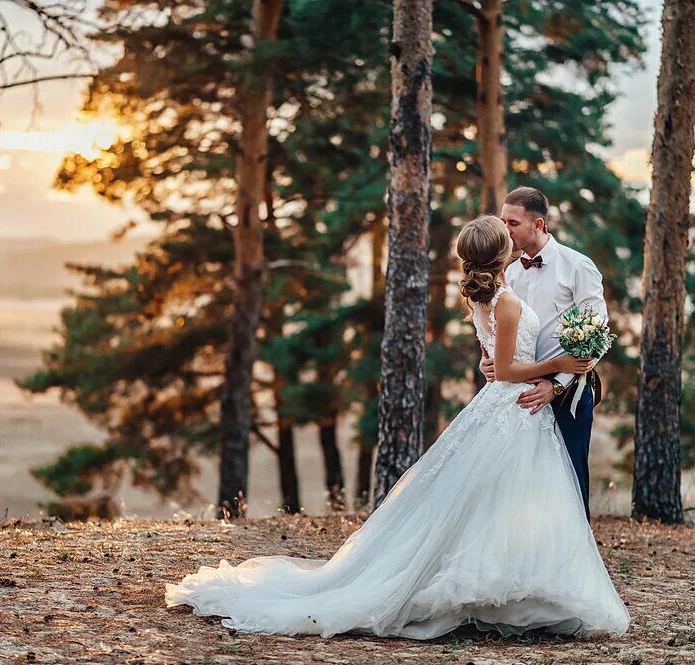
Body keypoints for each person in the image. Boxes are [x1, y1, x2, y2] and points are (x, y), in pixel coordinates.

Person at [165, 215, 629, 640]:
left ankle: (516, 592)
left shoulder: (485, 296)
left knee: (495, 500)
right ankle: (496, 594)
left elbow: (492, 360)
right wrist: (560, 364)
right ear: (503, 252)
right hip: (512, 406)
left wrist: (515, 365)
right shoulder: (505, 302)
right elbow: (506, 369)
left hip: (508, 408)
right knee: (499, 497)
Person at [481, 186, 608, 521]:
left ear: (538, 225)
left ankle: (575, 564)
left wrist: (557, 385)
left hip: (570, 389)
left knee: (569, 477)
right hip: (517, 391)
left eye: (513, 223)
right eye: (502, 221)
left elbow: (597, 337)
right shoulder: (507, 272)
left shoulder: (578, 267)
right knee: (521, 481)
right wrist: (488, 356)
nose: (505, 230)